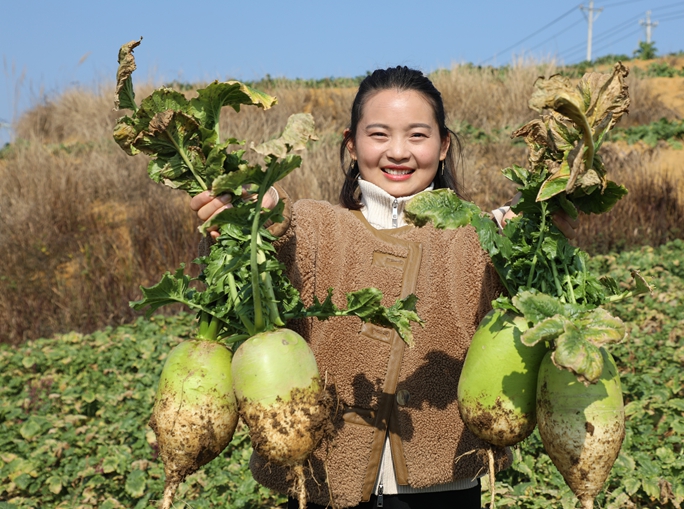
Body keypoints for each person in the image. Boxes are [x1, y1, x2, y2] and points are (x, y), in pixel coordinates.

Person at [190, 66, 577, 509]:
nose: (398, 152)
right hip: (320, 485)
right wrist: (255, 218)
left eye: (417, 135)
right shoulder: (313, 226)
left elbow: (518, 316)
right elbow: (277, 238)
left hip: (443, 489)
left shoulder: (479, 235)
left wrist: (533, 236)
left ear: (444, 145)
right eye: (378, 135)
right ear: (351, 144)